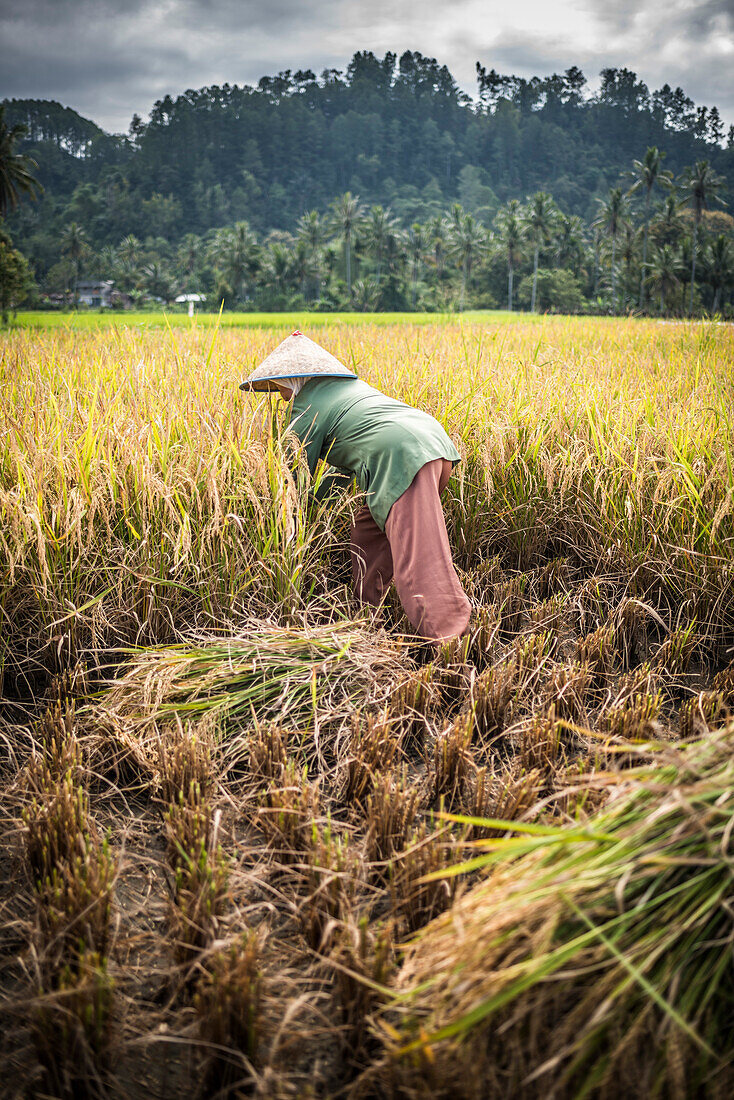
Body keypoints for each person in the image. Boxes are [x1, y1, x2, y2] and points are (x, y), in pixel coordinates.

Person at [240, 330, 471, 644]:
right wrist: (317, 509)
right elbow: (342, 471)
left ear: (294, 380)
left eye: (279, 386)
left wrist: (288, 521)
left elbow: (292, 477)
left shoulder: (305, 408)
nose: (279, 393)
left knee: (418, 557)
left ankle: (450, 638)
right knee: (367, 532)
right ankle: (367, 615)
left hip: (401, 460)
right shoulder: (346, 391)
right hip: (431, 446)